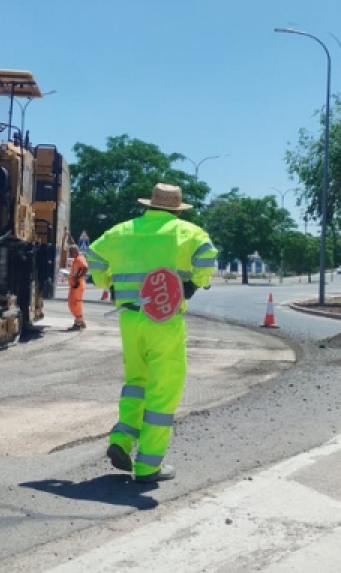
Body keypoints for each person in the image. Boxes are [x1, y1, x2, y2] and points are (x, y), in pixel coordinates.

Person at [87, 183, 218, 482]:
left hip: (130, 319)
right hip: (164, 321)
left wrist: (105, 283)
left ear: (150, 204)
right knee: (164, 390)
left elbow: (92, 254)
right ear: (175, 208)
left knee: (136, 383)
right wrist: (195, 282)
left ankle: (121, 439)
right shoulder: (186, 232)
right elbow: (208, 256)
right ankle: (148, 466)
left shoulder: (121, 231)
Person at [66, 244, 88, 330]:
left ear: (75, 251)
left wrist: (77, 278)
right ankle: (80, 321)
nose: (70, 254)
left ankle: (78, 323)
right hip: (74, 285)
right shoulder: (75, 260)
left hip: (77, 285)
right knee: (71, 303)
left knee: (76, 304)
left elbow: (85, 268)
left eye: (71, 252)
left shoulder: (80, 259)